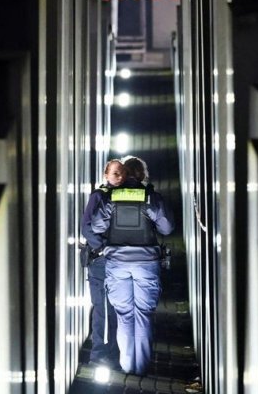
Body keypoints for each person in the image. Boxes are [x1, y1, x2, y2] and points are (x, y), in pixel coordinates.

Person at [91, 156, 174, 375]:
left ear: (125, 175)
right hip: (146, 263)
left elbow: (97, 225)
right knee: (143, 315)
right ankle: (140, 367)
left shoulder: (112, 197)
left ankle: (127, 366)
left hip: (117, 263)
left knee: (124, 315)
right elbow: (166, 228)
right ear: (143, 176)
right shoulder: (151, 197)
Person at [80, 159, 125, 368]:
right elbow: (86, 226)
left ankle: (112, 353)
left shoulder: (126, 196)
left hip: (118, 259)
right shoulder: (98, 196)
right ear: (105, 175)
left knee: (115, 309)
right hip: (101, 259)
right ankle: (98, 354)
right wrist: (100, 247)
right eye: (115, 173)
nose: (119, 177)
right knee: (101, 308)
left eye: (122, 173)